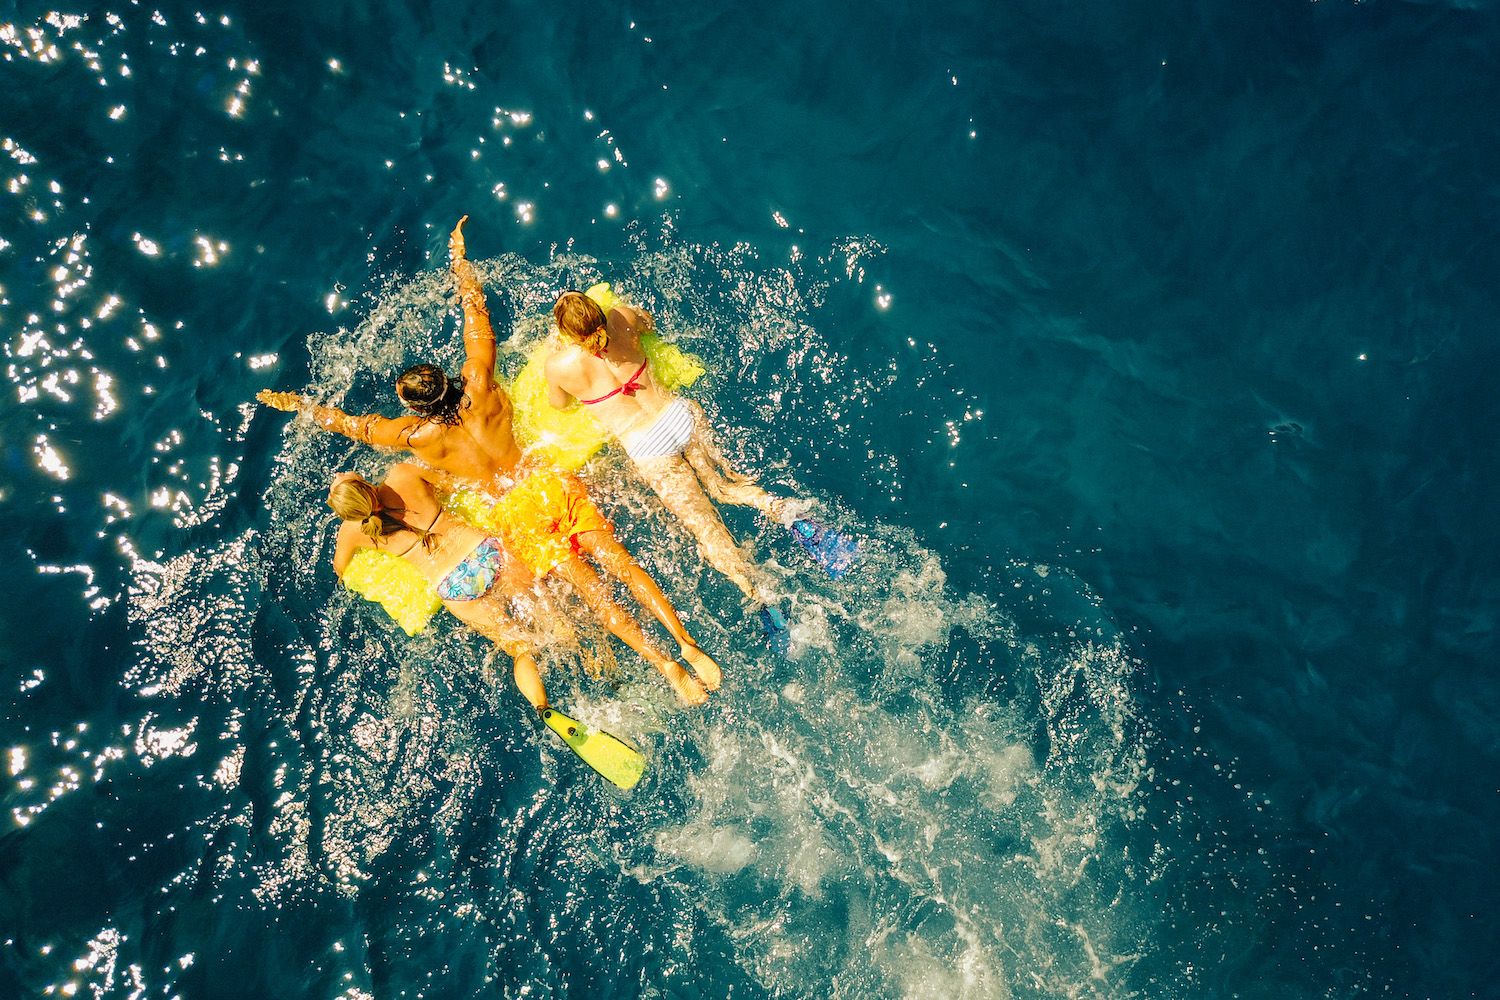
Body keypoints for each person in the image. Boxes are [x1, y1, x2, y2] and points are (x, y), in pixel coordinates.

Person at [258, 216, 720, 700]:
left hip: (515, 514)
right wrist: (459, 261)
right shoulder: (481, 384)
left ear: (415, 407)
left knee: (596, 595)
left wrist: (299, 406)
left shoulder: (413, 438)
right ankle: (687, 645)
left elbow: (353, 424)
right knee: (625, 567)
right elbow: (476, 316)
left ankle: (664, 667)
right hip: (548, 482)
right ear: (445, 377)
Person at [328, 461, 710, 706]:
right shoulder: (401, 475)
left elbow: (341, 570)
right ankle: (609, 657)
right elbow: (450, 484)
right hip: (485, 553)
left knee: (519, 648)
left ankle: (544, 707)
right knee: (564, 608)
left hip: (453, 588)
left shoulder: (351, 533)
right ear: (363, 484)